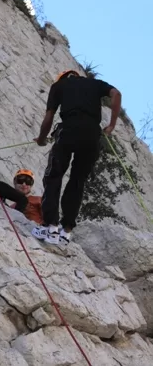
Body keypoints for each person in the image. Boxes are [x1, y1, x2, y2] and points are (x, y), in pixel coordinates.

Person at [32, 69, 121, 246]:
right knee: (78, 181)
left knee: (54, 176)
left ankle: (50, 226)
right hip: (92, 135)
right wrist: (111, 125)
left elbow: (49, 116)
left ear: (63, 77)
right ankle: (66, 231)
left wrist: (42, 139)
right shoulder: (95, 83)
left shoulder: (59, 86)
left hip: (69, 130)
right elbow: (116, 93)